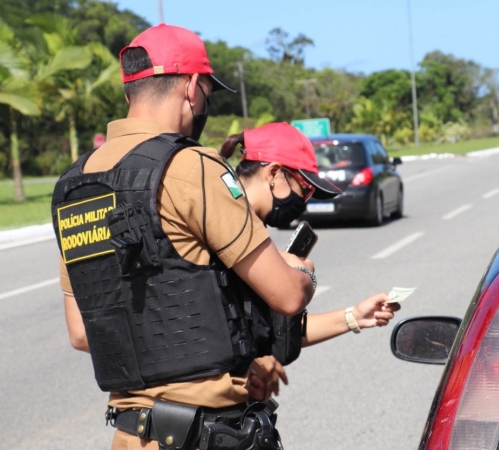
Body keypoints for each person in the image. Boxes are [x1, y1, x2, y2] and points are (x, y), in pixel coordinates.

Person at [52, 25, 330, 450]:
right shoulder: (192, 165)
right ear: (192, 87)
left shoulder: (74, 183)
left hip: (130, 435)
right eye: (205, 94)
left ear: (131, 92)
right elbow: (288, 297)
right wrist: (303, 273)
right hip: (209, 433)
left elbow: (82, 333)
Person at [217, 123, 401, 401]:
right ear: (274, 173)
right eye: (303, 189)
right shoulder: (221, 226)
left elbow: (275, 332)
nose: (304, 202)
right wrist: (301, 273)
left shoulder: (252, 231)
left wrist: (354, 317)